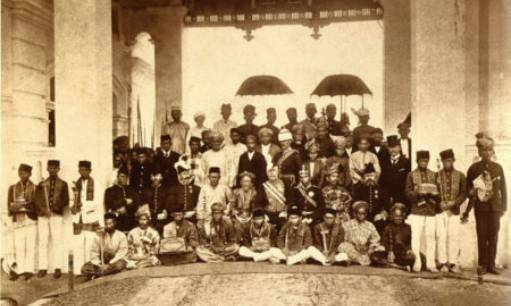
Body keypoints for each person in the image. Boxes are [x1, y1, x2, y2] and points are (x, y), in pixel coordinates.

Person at [465, 138, 507, 275]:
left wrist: (504, 207)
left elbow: (503, 189)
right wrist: (471, 195)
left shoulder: (498, 168)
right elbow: (468, 190)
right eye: (484, 150)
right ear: (479, 151)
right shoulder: (473, 168)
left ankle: (491, 265)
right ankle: (482, 265)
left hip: (495, 209)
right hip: (481, 208)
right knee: (482, 236)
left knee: (493, 236)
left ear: (492, 151)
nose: (487, 153)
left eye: (489, 150)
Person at [405, 150, 441, 272]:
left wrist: (434, 193)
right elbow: (407, 193)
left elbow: (439, 193)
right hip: (417, 210)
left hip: (430, 210)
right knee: (416, 237)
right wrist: (417, 193)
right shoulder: (411, 175)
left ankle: (431, 264)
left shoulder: (434, 174)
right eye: (421, 161)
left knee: (431, 237)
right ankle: (417, 263)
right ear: (417, 161)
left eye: (426, 161)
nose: (424, 163)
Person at [34, 160, 69, 278]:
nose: (52, 170)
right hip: (43, 217)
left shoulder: (63, 184)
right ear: (47, 169)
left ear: (58, 169)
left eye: (55, 168)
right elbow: (37, 200)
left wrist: (54, 208)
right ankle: (43, 267)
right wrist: (44, 210)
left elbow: (66, 200)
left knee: (57, 241)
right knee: (43, 242)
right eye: (50, 168)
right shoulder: (41, 184)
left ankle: (57, 267)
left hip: (56, 216)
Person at [435, 149, 467, 273]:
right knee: (441, 236)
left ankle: (453, 263)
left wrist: (454, 202)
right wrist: (439, 202)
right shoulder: (436, 175)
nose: (447, 163)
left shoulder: (460, 175)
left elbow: (464, 193)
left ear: (453, 160)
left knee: (453, 236)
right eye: (444, 161)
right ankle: (442, 262)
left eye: (449, 160)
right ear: (442, 162)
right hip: (440, 210)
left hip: (454, 210)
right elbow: (434, 191)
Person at [7, 164, 37, 281]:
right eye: (20, 172)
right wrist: (15, 207)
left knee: (30, 245)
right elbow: (9, 204)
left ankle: (29, 270)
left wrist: (27, 206)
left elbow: (37, 204)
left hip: (30, 218)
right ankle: (20, 270)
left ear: (30, 174)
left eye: (25, 172)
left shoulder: (35, 187)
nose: (22, 175)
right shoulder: (13, 188)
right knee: (19, 245)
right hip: (18, 219)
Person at [70, 160, 101, 275]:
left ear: (89, 171)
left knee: (90, 244)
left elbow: (97, 201)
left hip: (90, 217)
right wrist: (72, 206)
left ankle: (90, 269)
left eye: (84, 170)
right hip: (78, 217)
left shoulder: (96, 183)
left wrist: (84, 205)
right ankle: (79, 270)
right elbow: (71, 199)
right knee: (78, 244)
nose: (82, 172)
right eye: (80, 170)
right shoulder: (75, 184)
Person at [338, 201, 386, 266]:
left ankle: (355, 260)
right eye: (359, 214)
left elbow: (376, 239)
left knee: (381, 248)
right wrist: (354, 245)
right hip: (352, 248)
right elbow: (343, 239)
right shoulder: (347, 224)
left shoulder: (370, 225)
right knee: (342, 246)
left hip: (366, 249)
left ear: (366, 214)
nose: (361, 216)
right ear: (355, 214)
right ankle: (356, 259)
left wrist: (370, 247)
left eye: (364, 214)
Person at [81, 213, 128, 279]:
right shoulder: (99, 236)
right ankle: (104, 272)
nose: (108, 226)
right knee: (85, 268)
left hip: (114, 262)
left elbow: (122, 252)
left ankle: (98, 274)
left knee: (121, 264)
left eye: (110, 223)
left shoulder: (121, 235)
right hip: (102, 263)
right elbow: (94, 252)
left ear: (115, 223)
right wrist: (99, 264)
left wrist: (110, 264)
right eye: (106, 224)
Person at [104, 166, 141, 233]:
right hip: (116, 222)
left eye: (126, 177)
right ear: (117, 177)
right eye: (122, 176)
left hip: (130, 221)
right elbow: (110, 204)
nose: (124, 179)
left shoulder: (132, 190)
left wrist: (126, 208)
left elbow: (136, 203)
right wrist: (124, 201)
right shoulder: (110, 190)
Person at [381, 203, 415, 271]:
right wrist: (389, 251)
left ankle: (392, 265)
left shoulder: (408, 227)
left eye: (400, 217)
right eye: (396, 216)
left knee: (411, 258)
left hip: (402, 254)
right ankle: (398, 267)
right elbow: (384, 241)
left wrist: (409, 249)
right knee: (374, 257)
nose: (398, 218)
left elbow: (410, 241)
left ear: (403, 216)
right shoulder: (388, 227)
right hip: (390, 253)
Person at [380, 135, 410, 211]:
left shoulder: (407, 162)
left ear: (399, 148)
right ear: (387, 149)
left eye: (395, 147)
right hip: (387, 199)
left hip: (402, 199)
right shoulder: (383, 163)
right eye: (390, 147)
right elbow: (382, 183)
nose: (393, 150)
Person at [257, 166, 289, 230]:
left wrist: (286, 212)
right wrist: (264, 214)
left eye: (274, 171)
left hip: (282, 213)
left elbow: (291, 200)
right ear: (266, 173)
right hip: (268, 214)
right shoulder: (263, 186)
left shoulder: (285, 184)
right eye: (269, 171)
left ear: (278, 172)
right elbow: (258, 203)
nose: (272, 173)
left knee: (284, 226)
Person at [349, 137, 381, 202]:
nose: (363, 146)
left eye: (365, 144)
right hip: (357, 181)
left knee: (370, 197)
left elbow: (378, 169)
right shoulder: (353, 155)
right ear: (358, 145)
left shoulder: (373, 155)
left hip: (370, 180)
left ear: (369, 145)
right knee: (358, 198)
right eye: (361, 144)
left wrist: (375, 179)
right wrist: (361, 179)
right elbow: (351, 169)